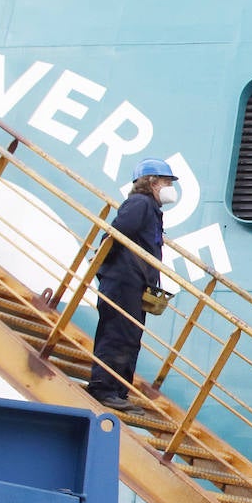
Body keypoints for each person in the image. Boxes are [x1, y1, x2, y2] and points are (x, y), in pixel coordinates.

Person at [86, 157, 177, 414]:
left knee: (129, 338)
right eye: (167, 181)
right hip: (122, 280)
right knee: (117, 334)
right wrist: (101, 258)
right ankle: (103, 389)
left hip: (134, 284)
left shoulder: (151, 208)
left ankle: (118, 392)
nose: (170, 187)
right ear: (152, 182)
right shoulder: (140, 203)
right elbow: (117, 231)